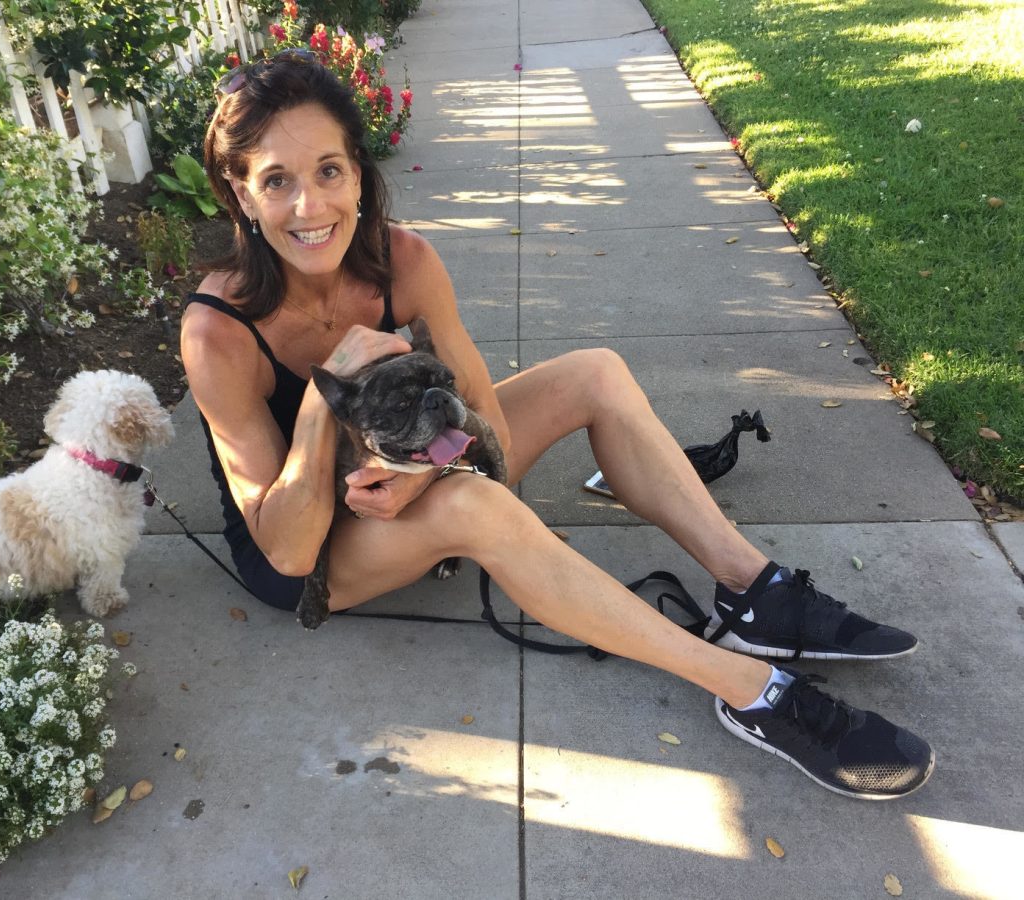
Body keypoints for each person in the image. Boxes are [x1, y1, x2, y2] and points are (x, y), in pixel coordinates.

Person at [181, 50, 934, 800]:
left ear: (357, 173)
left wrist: (420, 476)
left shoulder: (401, 259)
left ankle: (753, 592)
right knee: (476, 504)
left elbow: (490, 430)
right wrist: (326, 400)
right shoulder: (218, 332)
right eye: (276, 181)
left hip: (398, 472)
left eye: (328, 171)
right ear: (241, 194)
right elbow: (287, 550)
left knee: (594, 372)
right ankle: (751, 690)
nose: (310, 207)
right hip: (305, 548)